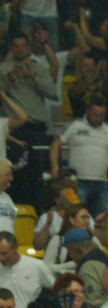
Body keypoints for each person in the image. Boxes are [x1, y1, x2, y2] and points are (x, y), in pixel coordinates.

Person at [0, 33, 56, 206]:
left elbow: (52, 93)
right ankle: (16, 212)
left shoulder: (39, 69)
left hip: (37, 128)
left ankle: (36, 213)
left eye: (23, 45)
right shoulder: (3, 68)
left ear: (29, 47)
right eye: (16, 46)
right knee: (13, 173)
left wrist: (33, 77)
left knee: (37, 174)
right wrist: (9, 81)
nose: (20, 49)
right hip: (14, 129)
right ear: (11, 48)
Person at [49, 100, 108, 228]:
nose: (98, 118)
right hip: (77, 183)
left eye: (101, 116)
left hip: (102, 184)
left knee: (101, 223)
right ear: (87, 111)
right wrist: (55, 167)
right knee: (75, 218)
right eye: (95, 115)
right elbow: (55, 144)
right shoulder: (75, 125)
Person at [0, 232, 55, 308]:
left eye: (4, 253)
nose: (1, 258)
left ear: (16, 247)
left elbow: (55, 291)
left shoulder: (37, 266)